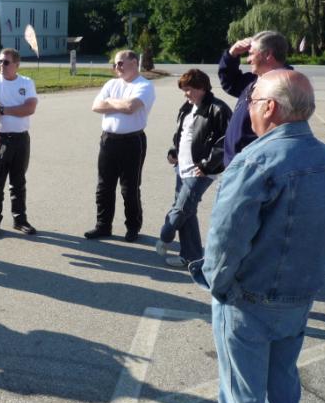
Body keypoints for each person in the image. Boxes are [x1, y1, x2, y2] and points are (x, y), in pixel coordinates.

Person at [202, 70, 325, 403]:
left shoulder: (254, 161)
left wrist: (219, 287)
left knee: (242, 398)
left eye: (252, 101)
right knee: (283, 385)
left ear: (269, 107)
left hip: (248, 299)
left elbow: (226, 240)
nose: (248, 108)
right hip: (299, 297)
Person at [155, 69, 231, 268]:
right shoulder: (187, 107)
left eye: (188, 89)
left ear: (202, 88)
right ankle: (191, 257)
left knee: (181, 209)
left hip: (201, 171)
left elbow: (226, 142)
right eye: (184, 90)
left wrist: (207, 165)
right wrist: (173, 151)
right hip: (182, 167)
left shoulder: (218, 109)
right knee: (188, 212)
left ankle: (165, 236)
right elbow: (181, 135)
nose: (185, 94)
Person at [85, 50, 155, 242]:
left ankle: (133, 227)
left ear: (134, 62)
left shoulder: (144, 85)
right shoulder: (111, 84)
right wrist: (118, 104)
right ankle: (103, 226)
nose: (117, 67)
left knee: (129, 188)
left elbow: (130, 107)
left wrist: (109, 102)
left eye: (121, 63)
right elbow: (96, 106)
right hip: (108, 140)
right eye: (115, 64)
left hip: (132, 141)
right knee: (104, 186)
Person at [0, 48, 38, 238]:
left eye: (5, 62)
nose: (1, 65)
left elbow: (30, 108)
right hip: (1, 138)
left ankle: (20, 220)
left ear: (16, 64)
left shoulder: (26, 83)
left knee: (18, 182)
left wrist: (4, 110)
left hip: (21, 139)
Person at [218, 30, 291, 167]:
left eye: (251, 54)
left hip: (251, 166)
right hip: (236, 163)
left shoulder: (282, 87)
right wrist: (232, 54)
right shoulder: (257, 79)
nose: (248, 59)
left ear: (268, 55)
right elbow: (230, 83)